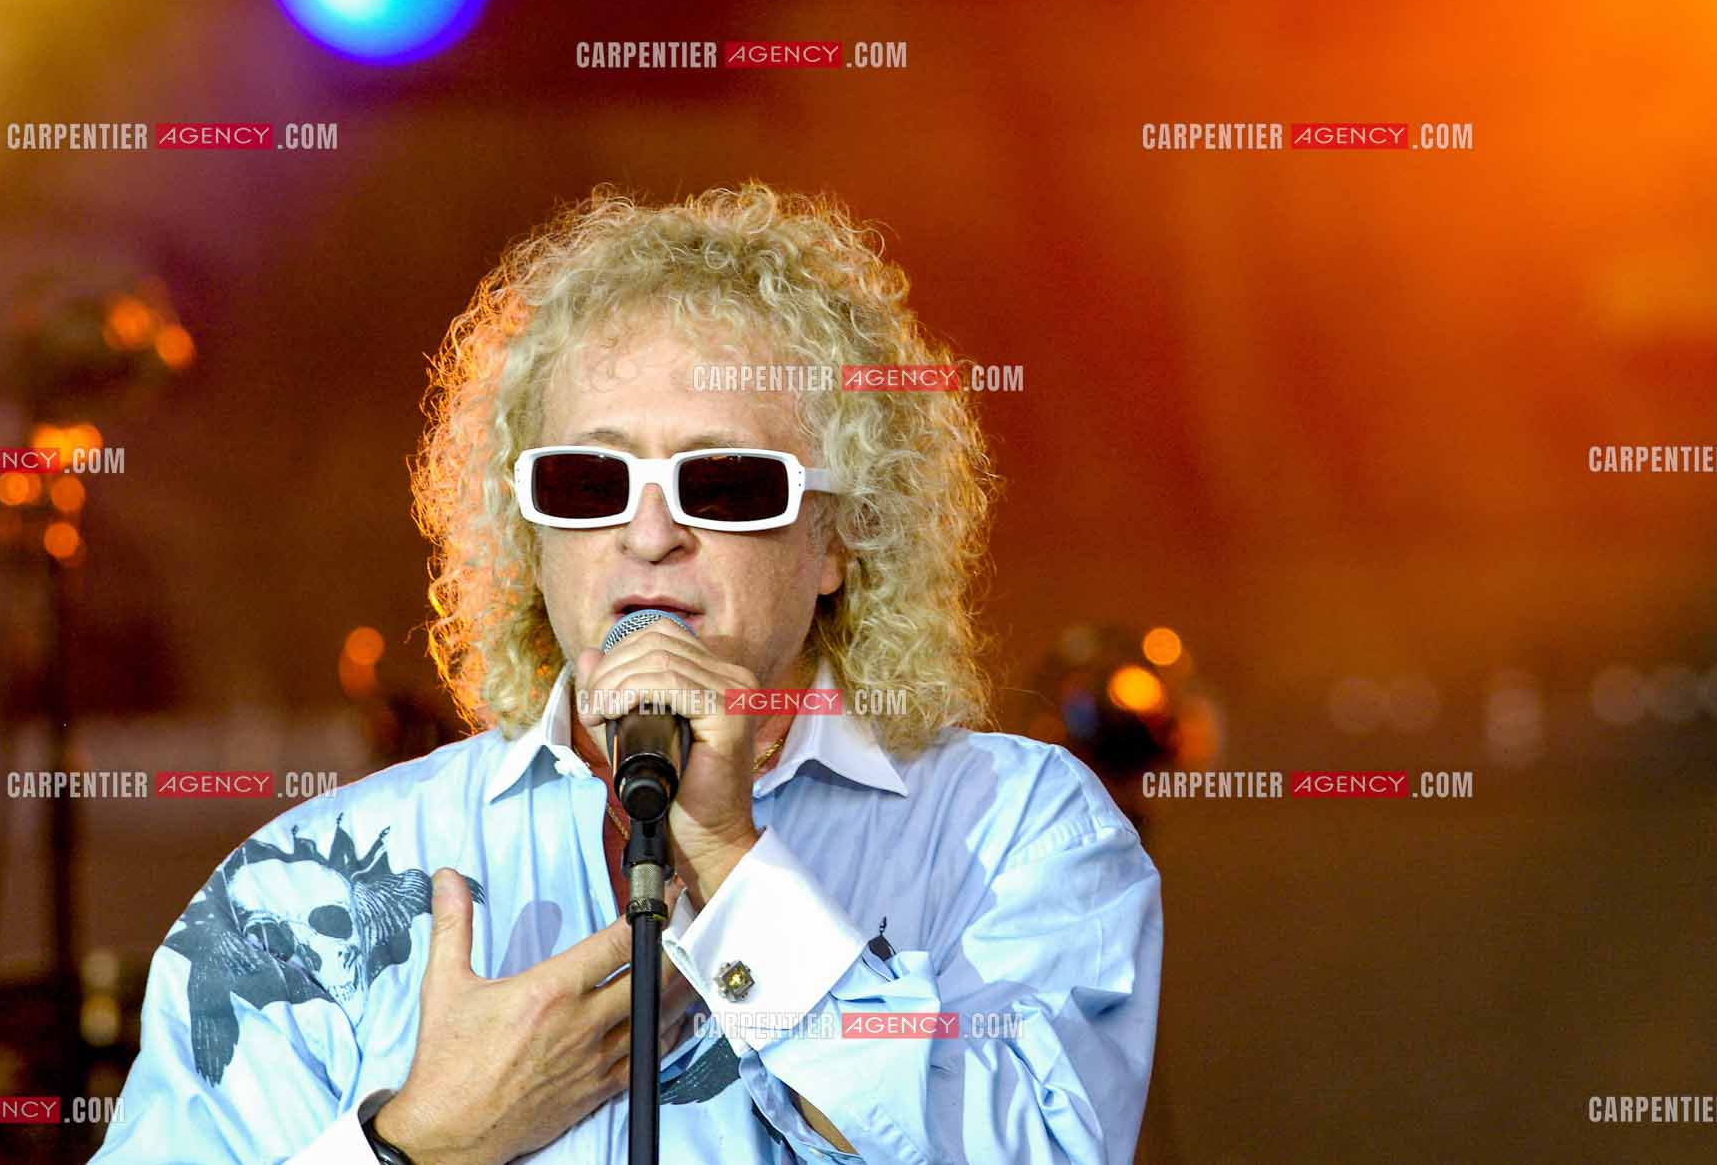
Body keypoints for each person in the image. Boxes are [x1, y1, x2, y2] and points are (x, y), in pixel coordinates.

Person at [94, 183, 1162, 1164]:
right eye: (587, 481)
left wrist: (733, 864)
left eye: (725, 483)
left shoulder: (1015, 832)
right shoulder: (302, 884)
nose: (649, 534)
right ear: (530, 534)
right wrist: (418, 1143)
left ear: (839, 536)